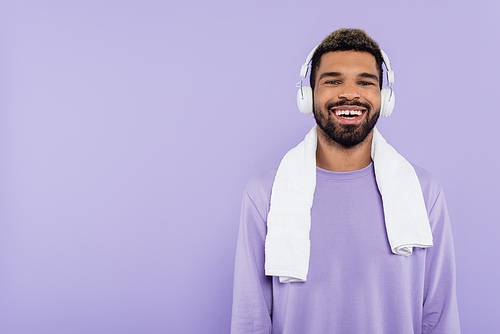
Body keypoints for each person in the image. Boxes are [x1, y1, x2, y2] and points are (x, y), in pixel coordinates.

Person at [231, 28, 460, 334]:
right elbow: (251, 318)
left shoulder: (424, 192)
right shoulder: (264, 193)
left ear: (385, 97)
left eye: (366, 82)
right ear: (308, 95)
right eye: (333, 81)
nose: (350, 93)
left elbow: (440, 315)